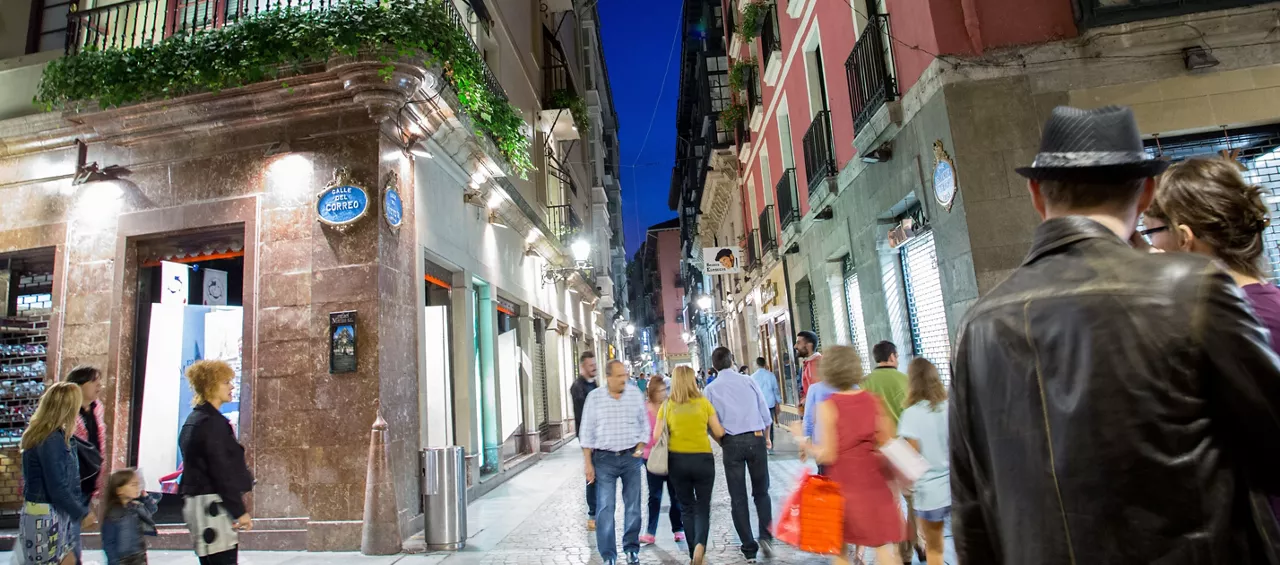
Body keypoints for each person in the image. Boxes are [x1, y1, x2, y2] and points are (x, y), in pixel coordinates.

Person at [951, 105, 1280, 564]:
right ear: (1146, 193)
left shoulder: (977, 324)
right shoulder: (1193, 288)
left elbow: (972, 512)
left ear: (1036, 195)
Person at [1145, 156, 1280, 521]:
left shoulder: (1213, 327)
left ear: (1185, 239)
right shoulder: (1272, 307)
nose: (1147, 250)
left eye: (1151, 233)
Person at [794, 345, 902, 565]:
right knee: (883, 548)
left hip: (844, 488)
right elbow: (888, 442)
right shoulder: (873, 401)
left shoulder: (828, 406)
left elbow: (828, 454)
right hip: (874, 485)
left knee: (841, 551)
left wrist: (803, 441)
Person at [179, 360, 254, 565]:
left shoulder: (195, 419)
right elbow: (222, 472)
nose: (231, 386)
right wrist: (239, 511)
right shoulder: (212, 424)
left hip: (200, 506)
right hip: (211, 507)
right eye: (225, 382)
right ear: (210, 385)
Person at [704, 347, 775, 561]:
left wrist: (722, 441)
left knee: (738, 497)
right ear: (732, 361)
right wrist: (766, 437)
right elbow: (765, 413)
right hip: (755, 438)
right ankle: (765, 535)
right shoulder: (748, 381)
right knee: (761, 492)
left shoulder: (711, 389)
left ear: (714, 366)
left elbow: (710, 423)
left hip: (731, 443)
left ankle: (748, 548)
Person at [579, 360, 649, 565]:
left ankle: (631, 549)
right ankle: (608, 555)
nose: (623, 379)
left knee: (633, 506)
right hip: (604, 460)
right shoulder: (595, 398)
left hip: (630, 459)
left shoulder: (634, 395)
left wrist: (640, 447)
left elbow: (644, 424)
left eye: (624, 375)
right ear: (608, 377)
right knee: (605, 507)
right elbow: (586, 432)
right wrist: (588, 463)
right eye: (619, 376)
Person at [655, 366, 725, 565]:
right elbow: (718, 432)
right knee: (703, 506)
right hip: (703, 459)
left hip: (677, 461)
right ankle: (701, 545)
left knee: (686, 507)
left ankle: (693, 549)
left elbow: (656, 435)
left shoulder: (667, 406)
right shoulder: (703, 403)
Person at [16, 382, 89, 565]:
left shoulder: (53, 436)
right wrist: (81, 513)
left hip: (51, 512)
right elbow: (57, 486)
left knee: (67, 559)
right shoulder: (50, 439)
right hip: (45, 514)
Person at [862, 341, 915, 563]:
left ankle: (896, 550)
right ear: (892, 356)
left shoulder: (865, 383)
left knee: (892, 504)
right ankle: (912, 547)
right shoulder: (906, 380)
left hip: (878, 450)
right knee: (913, 499)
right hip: (904, 447)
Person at [899, 358, 950, 565]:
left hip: (930, 492)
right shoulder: (950, 407)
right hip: (958, 487)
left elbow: (912, 456)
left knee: (935, 548)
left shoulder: (911, 414)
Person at [640, 375, 685, 546]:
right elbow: (642, 432)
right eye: (659, 390)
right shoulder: (645, 409)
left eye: (664, 390)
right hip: (651, 458)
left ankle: (678, 529)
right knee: (655, 496)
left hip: (671, 455)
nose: (662, 393)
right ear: (652, 391)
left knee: (675, 495)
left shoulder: (671, 406)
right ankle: (650, 532)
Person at [101, 468, 160, 565]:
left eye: (138, 484)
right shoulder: (113, 513)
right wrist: (113, 562)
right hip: (123, 560)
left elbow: (151, 509)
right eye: (133, 485)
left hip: (139, 556)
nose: (137, 487)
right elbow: (109, 543)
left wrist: (146, 497)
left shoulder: (135, 507)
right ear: (119, 490)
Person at [570, 351, 599, 531]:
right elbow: (584, 416)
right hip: (589, 437)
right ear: (582, 367)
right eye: (590, 365)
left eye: (594, 365)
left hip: (599, 436)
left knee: (598, 473)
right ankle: (592, 513)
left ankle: (598, 511)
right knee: (592, 474)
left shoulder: (593, 384)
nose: (594, 367)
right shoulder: (578, 387)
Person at [748, 358, 780, 447]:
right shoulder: (770, 375)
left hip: (758, 404)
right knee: (770, 423)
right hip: (770, 403)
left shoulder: (752, 377)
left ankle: (762, 443)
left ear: (756, 364)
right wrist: (778, 401)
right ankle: (770, 443)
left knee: (759, 423)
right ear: (765, 363)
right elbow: (775, 389)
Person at [795, 331, 821, 414]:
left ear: (809, 345)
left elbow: (818, 393)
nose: (795, 346)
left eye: (798, 343)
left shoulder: (818, 364)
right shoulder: (807, 363)